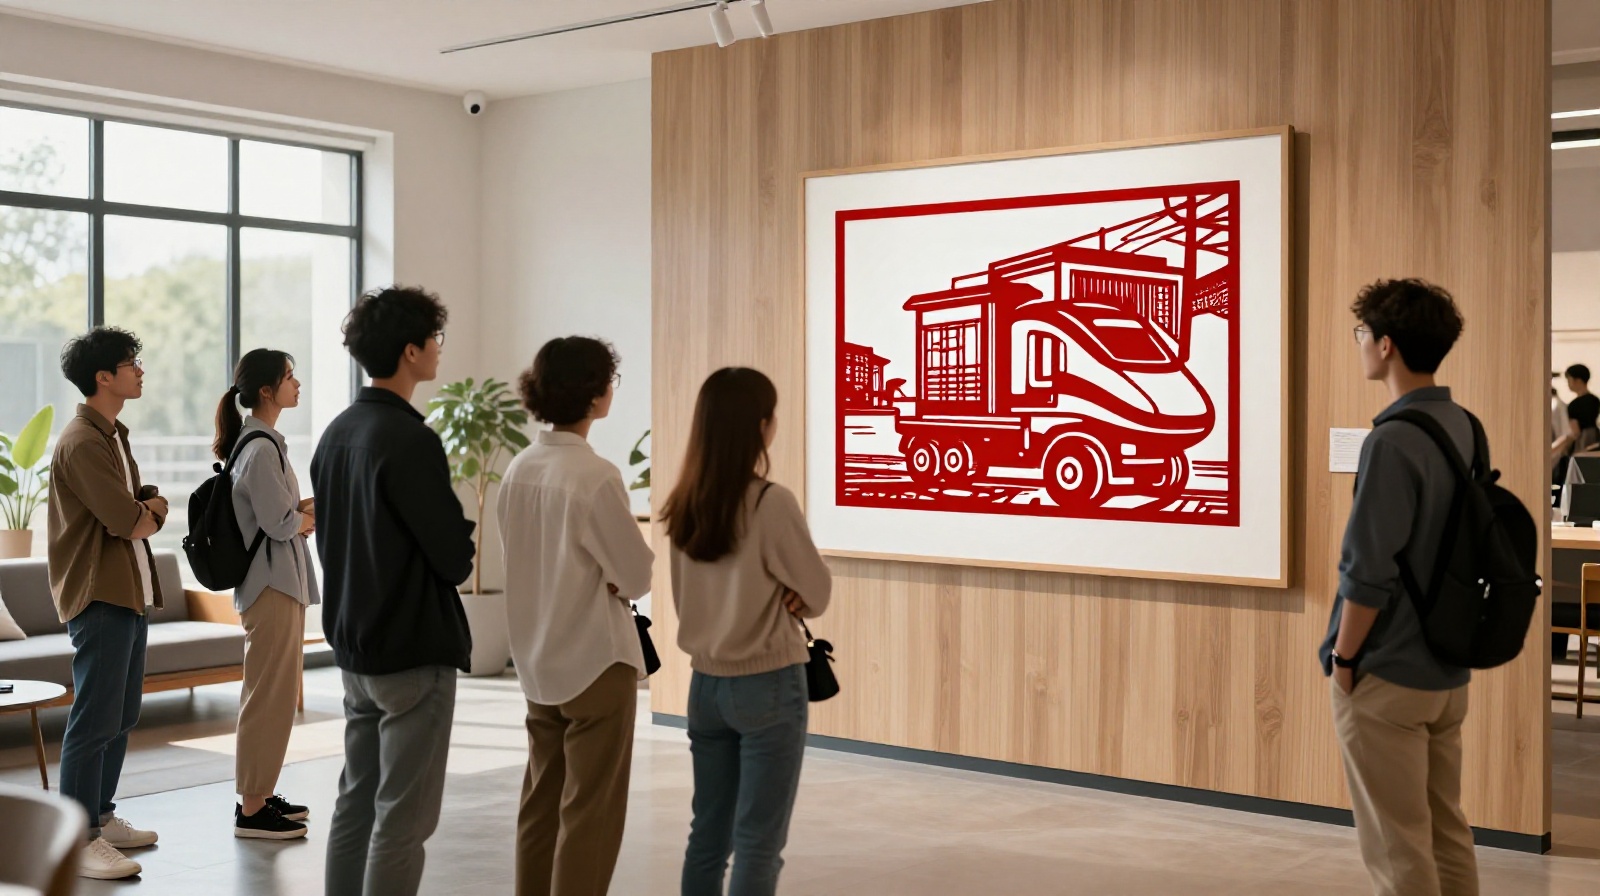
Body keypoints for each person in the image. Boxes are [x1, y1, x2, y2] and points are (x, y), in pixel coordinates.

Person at [311, 286, 477, 896]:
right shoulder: (409, 439)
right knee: (403, 822)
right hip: (411, 651)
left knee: (355, 804)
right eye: (435, 341)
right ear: (411, 351)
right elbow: (454, 557)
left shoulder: (337, 433)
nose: (438, 352)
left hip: (357, 651)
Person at [1320, 279, 1478, 896]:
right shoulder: (1464, 427)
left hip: (1388, 670)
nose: (1359, 344)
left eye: (1362, 334)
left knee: (1397, 844)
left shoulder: (1391, 439)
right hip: (1446, 667)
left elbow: (1368, 570)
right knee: (1445, 830)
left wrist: (1345, 658)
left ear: (1386, 345)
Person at [664, 367, 832, 896]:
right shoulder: (769, 502)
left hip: (705, 688)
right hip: (767, 685)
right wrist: (791, 591)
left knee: (707, 838)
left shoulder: (683, 504)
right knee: (759, 842)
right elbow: (818, 592)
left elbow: (686, 597)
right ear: (760, 427)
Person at [497, 337, 654, 896]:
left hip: (538, 665)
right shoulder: (595, 476)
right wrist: (611, 574)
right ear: (594, 394)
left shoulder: (519, 468)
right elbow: (637, 576)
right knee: (590, 814)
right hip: (595, 662)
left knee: (540, 805)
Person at [47, 327, 166, 880]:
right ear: (103, 377)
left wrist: (145, 509)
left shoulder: (112, 434)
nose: (139, 370)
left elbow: (133, 511)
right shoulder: (82, 440)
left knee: (121, 715)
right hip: (99, 593)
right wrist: (155, 509)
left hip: (127, 590)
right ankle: (77, 837)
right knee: (94, 720)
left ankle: (100, 815)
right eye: (131, 363)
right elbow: (129, 518)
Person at [216, 349, 319, 840]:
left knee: (272, 696)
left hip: (277, 582)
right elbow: (280, 523)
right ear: (265, 391)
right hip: (271, 585)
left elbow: (277, 516)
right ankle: (252, 809)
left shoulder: (264, 444)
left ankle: (260, 794)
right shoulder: (259, 449)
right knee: (267, 697)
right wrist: (309, 516)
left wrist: (299, 514)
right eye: (289, 377)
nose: (297, 384)